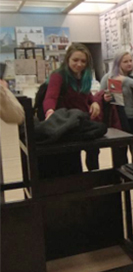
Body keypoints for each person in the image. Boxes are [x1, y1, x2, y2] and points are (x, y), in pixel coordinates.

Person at [43, 43, 103, 176]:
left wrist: (94, 102)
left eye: (83, 61)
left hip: (82, 119)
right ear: (67, 59)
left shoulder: (85, 76)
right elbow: (50, 97)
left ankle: (94, 177)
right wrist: (50, 112)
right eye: (75, 60)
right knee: (72, 158)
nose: (79, 64)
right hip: (67, 122)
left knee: (94, 150)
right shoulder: (58, 76)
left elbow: (87, 94)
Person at [100, 51, 133, 164]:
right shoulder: (108, 77)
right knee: (119, 151)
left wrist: (126, 80)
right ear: (118, 63)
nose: (129, 64)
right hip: (118, 120)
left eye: (131, 61)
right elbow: (99, 95)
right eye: (125, 61)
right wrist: (105, 97)